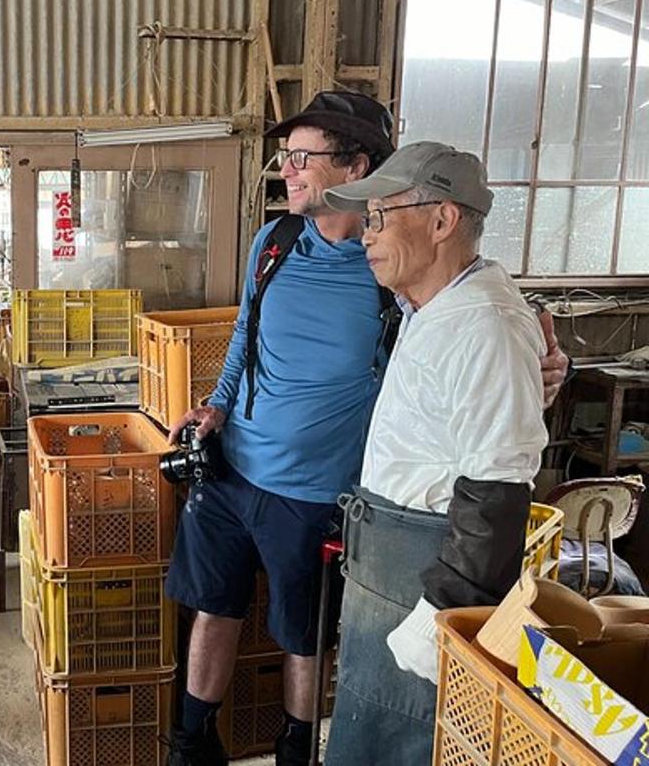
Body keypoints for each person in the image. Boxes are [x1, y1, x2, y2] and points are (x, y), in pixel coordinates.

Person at [162, 95, 568, 766]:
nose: (287, 170)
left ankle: (296, 748)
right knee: (215, 605)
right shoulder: (278, 243)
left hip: (324, 493)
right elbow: (246, 334)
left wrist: (537, 368)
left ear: (356, 165)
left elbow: (486, 362)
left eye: (303, 157)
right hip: (239, 470)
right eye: (284, 157)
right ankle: (191, 743)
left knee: (305, 635)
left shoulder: (396, 278)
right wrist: (219, 405)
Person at [320, 141, 549, 765]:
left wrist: (440, 616)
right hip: (389, 568)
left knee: (403, 743)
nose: (366, 235)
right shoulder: (435, 307)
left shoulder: (486, 325)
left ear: (442, 220)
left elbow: (499, 487)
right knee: (364, 740)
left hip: (422, 580)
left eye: (380, 217)